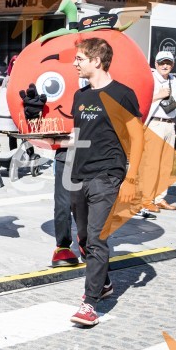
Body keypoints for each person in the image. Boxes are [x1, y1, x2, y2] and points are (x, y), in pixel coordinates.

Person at [69, 38, 144, 327]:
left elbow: (136, 138)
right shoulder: (80, 96)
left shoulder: (122, 94)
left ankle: (90, 304)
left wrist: (131, 177)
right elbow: (78, 137)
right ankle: (104, 282)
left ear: (96, 61)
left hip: (107, 176)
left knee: (98, 239)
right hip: (78, 175)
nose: (75, 63)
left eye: (79, 59)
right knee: (85, 239)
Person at [140, 50, 176, 213]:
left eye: (168, 63)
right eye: (162, 62)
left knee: (166, 164)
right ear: (155, 64)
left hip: (170, 123)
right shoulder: (150, 78)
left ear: (172, 65)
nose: (165, 65)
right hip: (154, 123)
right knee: (152, 164)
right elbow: (140, 98)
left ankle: (159, 197)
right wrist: (158, 95)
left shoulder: (173, 79)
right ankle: (146, 199)